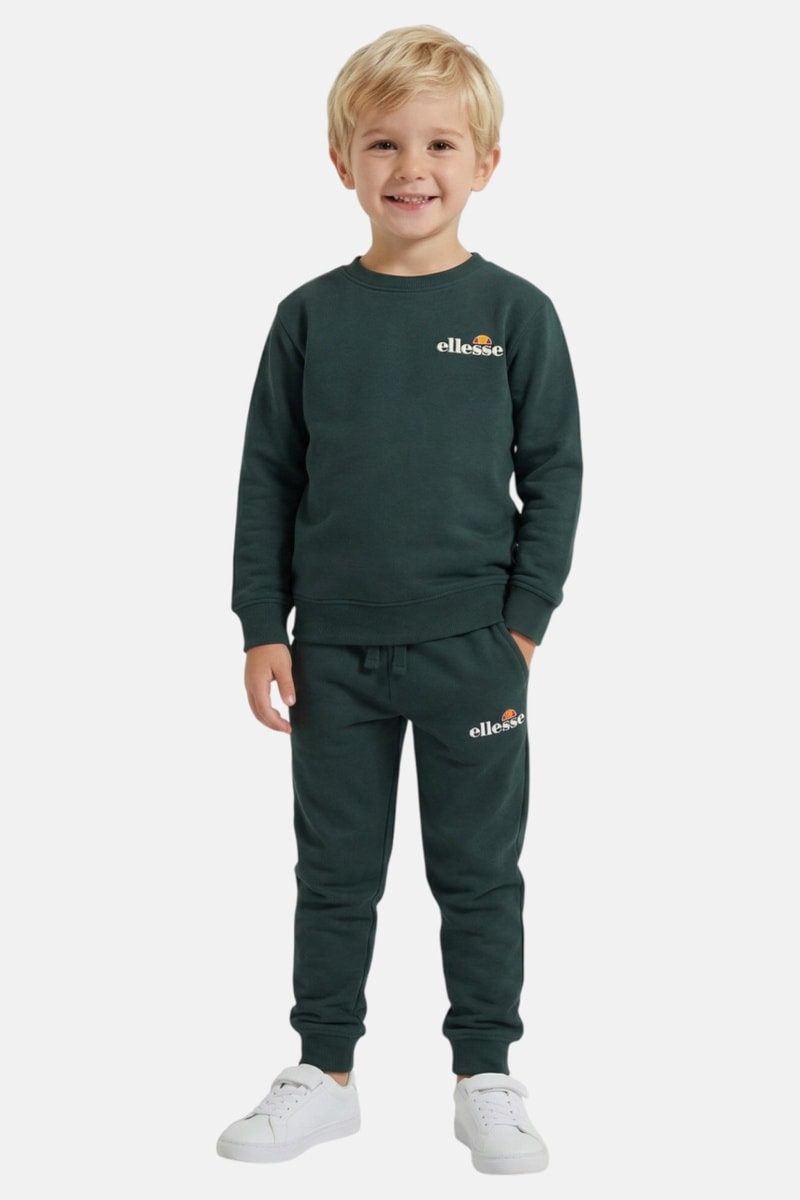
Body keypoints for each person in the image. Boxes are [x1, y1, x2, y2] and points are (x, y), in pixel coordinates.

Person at [216, 25, 582, 1176]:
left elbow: (555, 473)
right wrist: (262, 627)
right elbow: (268, 478)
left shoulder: (515, 314)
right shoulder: (308, 316)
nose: (409, 167)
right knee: (334, 873)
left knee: (477, 874)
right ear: (341, 161)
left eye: (437, 144)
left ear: (484, 163)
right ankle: (323, 1072)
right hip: (332, 653)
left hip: (474, 651)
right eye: (381, 143)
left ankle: (485, 1075)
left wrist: (520, 626)